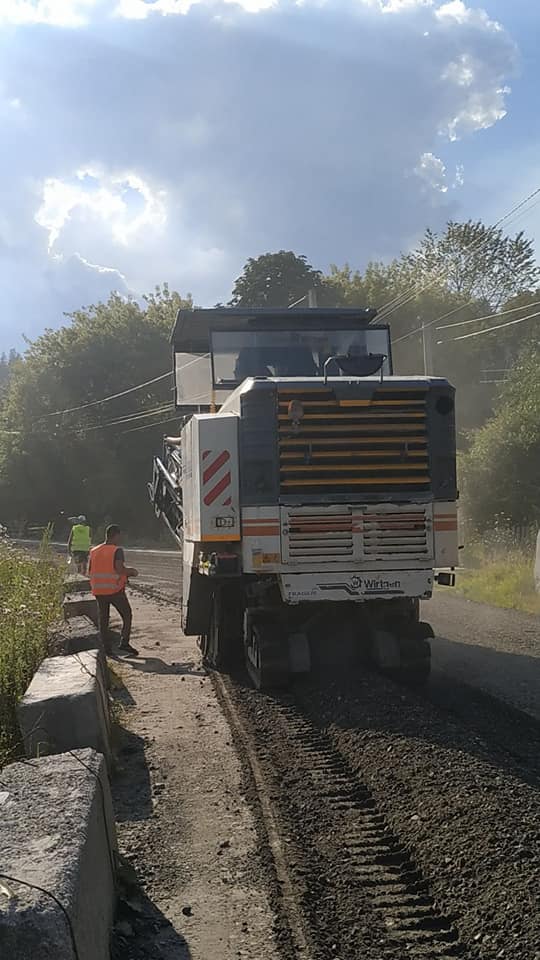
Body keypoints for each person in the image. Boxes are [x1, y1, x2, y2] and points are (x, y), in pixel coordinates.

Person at [88, 524, 139, 657]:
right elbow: (119, 569)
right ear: (115, 535)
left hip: (99, 591)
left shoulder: (94, 550)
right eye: (119, 536)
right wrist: (131, 572)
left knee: (104, 620)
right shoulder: (117, 550)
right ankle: (124, 643)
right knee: (127, 615)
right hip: (115, 591)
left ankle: (106, 649)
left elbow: (90, 570)